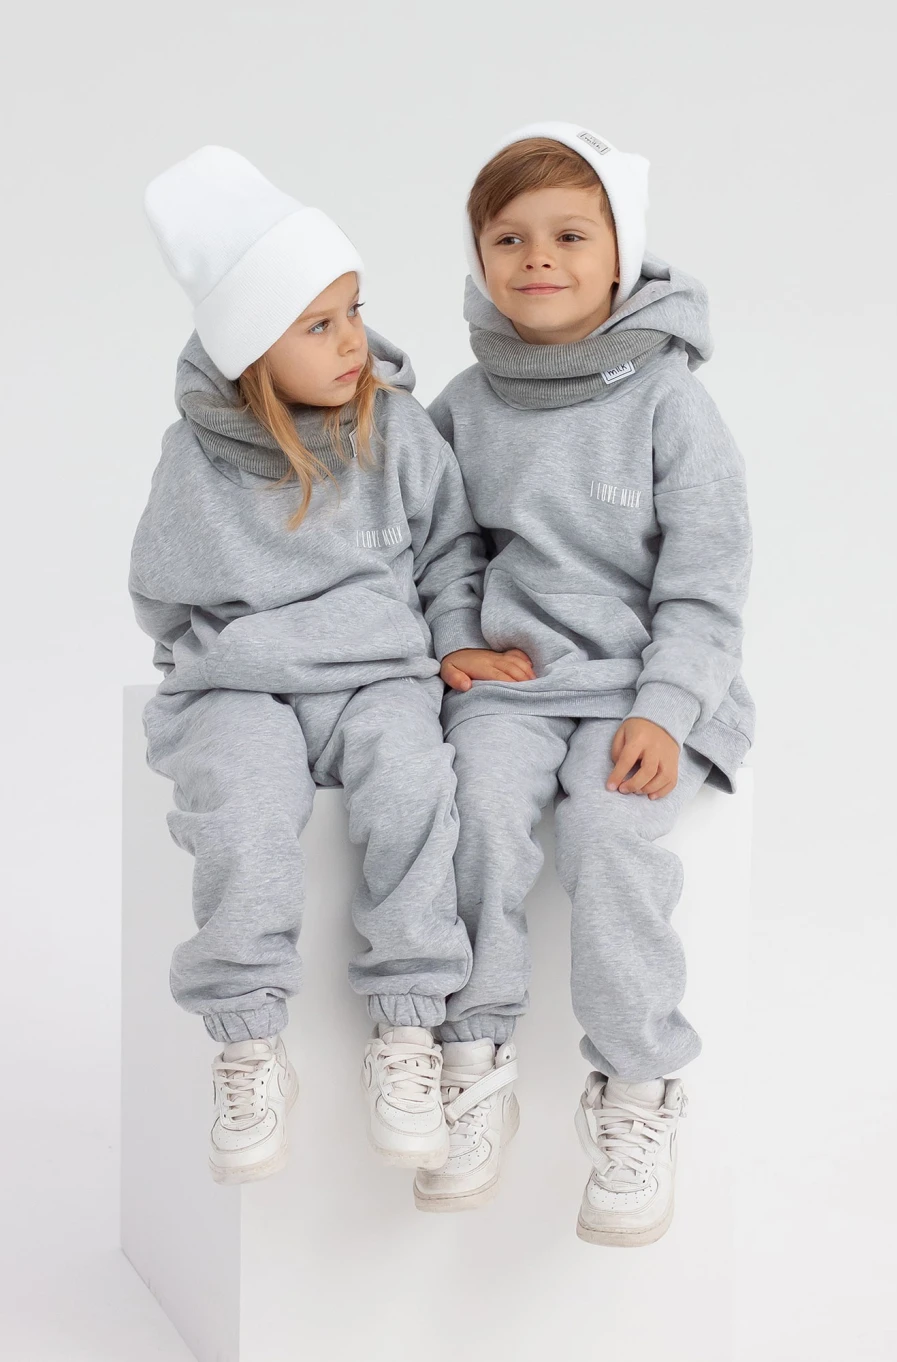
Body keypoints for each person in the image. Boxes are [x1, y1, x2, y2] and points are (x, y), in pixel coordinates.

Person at [129, 145, 526, 1186]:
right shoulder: (194, 458)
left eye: (354, 310)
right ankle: (248, 1044)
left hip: (378, 674)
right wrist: (220, 663)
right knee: (242, 811)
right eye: (317, 325)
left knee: (414, 784)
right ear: (251, 347)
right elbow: (162, 593)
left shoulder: (395, 429)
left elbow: (449, 554)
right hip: (242, 684)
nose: (353, 340)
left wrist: (453, 642)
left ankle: (408, 1028)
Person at [421, 122, 755, 1245]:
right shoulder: (465, 404)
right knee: (471, 813)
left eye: (570, 235)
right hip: (515, 687)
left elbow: (708, 579)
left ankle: (638, 1089)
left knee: (608, 838)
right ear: (480, 258)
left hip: (641, 687)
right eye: (508, 238)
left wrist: (668, 708)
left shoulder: (670, 400)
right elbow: (442, 549)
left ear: (622, 254)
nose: (538, 259)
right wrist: (457, 639)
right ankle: (472, 1060)